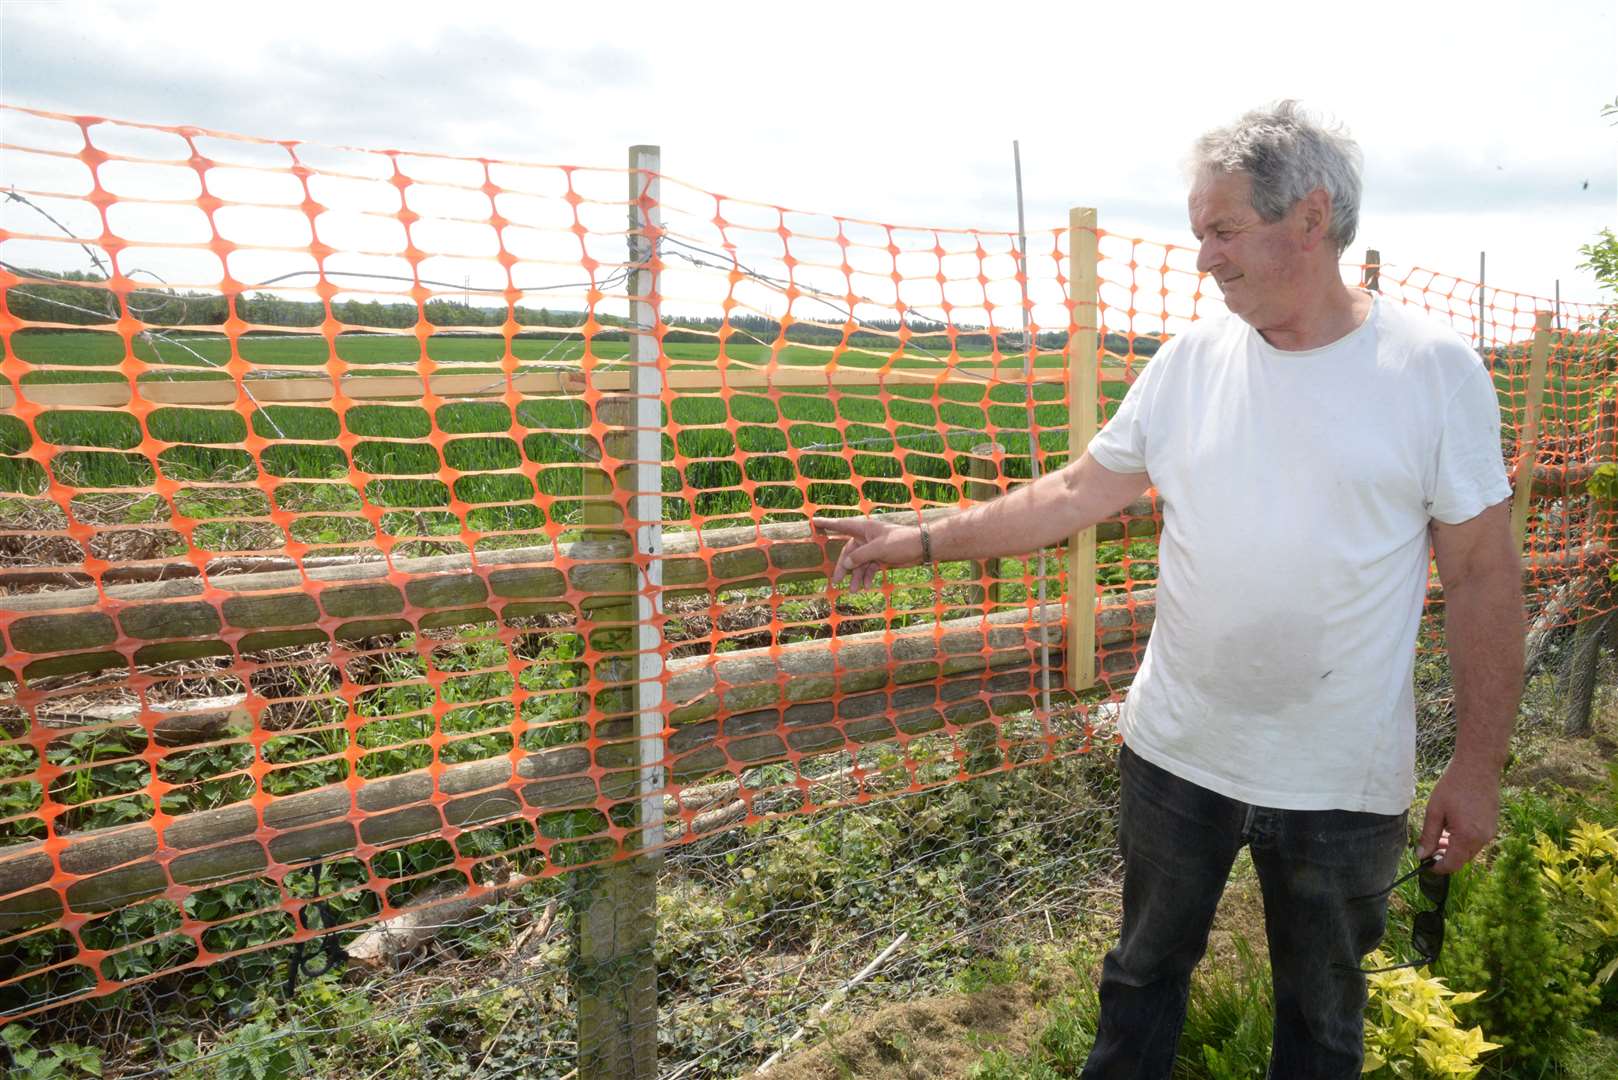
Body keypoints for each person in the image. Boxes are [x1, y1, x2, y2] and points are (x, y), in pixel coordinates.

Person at [813, 100, 1521, 1078]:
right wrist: (920, 540)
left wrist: (1477, 767)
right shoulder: (1188, 361)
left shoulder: (1431, 371)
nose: (1205, 259)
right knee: (1141, 976)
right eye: (1199, 234)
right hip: (1177, 753)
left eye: (1223, 230)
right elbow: (1075, 490)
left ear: (1309, 219)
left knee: (1321, 1020)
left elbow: (1483, 575)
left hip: (1340, 777)